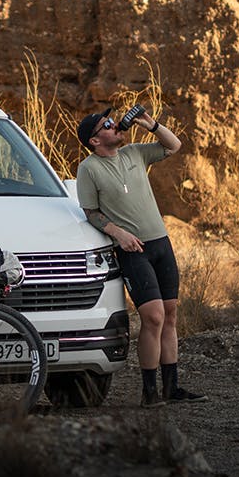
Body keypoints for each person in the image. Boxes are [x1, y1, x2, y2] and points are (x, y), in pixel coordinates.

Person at [75, 108, 205, 407]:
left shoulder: (134, 152)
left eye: (112, 120)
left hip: (161, 243)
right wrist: (117, 233)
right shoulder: (89, 168)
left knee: (170, 314)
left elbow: (173, 146)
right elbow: (91, 212)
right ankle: (149, 393)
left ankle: (171, 389)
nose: (115, 124)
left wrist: (151, 124)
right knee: (154, 316)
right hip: (132, 250)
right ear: (94, 141)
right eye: (106, 125)